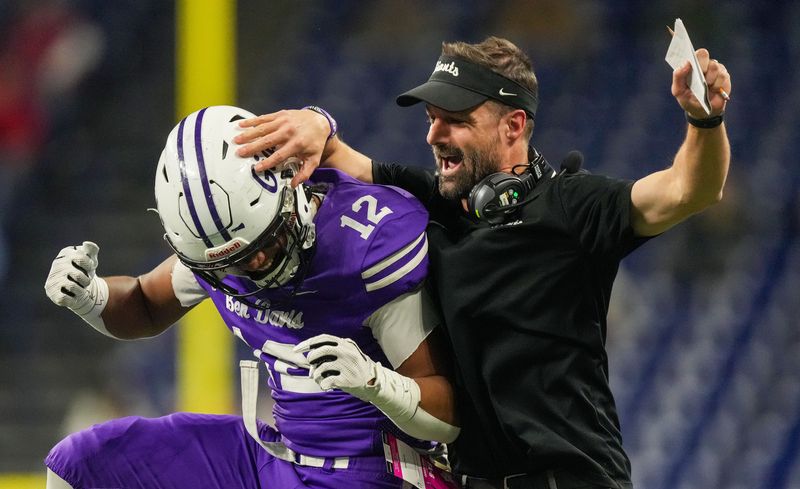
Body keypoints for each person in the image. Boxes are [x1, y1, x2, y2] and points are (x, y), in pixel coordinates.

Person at [234, 36, 731, 489]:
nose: (434, 134)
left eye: (456, 119)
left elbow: (691, 189)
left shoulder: (573, 207)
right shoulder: (434, 201)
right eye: (431, 117)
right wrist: (319, 119)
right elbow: (336, 153)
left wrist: (704, 121)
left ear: (514, 125)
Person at [42, 105, 460, 489]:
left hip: (373, 471)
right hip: (278, 458)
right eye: (237, 262)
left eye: (268, 241)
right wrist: (91, 297)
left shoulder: (366, 246)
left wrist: (376, 382)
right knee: (79, 464)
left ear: (290, 186)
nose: (257, 261)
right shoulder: (221, 251)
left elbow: (448, 418)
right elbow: (145, 304)